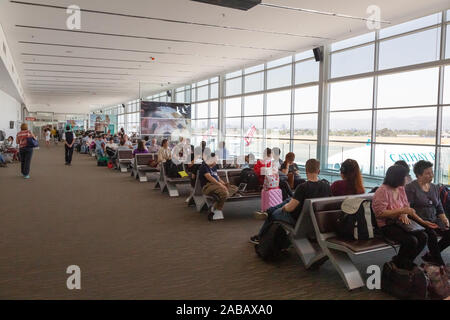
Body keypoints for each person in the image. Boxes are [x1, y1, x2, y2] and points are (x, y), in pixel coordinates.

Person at [372, 165, 437, 271]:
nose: (407, 178)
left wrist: (406, 214)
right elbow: (380, 213)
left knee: (423, 237)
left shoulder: (400, 189)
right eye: (405, 176)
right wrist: (401, 211)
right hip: (387, 225)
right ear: (397, 177)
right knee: (410, 241)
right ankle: (402, 264)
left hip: (400, 222)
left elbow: (406, 207)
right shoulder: (382, 191)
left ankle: (402, 262)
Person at [250, 159, 331, 244]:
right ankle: (269, 211)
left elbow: (290, 209)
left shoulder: (303, 187)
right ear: (319, 171)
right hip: (317, 221)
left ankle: (260, 235)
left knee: (274, 214)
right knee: (289, 200)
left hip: (299, 221)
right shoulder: (326, 186)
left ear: (306, 170)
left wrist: (284, 208)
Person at [405, 160, 450, 266]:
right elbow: (407, 209)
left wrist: (445, 219)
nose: (431, 175)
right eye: (428, 173)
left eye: (432, 172)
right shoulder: (411, 188)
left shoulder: (434, 187)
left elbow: (438, 206)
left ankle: (431, 255)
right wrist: (424, 222)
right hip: (418, 220)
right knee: (431, 235)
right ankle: (440, 264)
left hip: (433, 218)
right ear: (419, 175)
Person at [199, 153, 238, 220]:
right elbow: (209, 177)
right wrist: (220, 185)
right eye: (215, 160)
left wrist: (224, 184)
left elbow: (217, 177)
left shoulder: (214, 167)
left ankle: (218, 199)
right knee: (224, 192)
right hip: (208, 186)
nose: (216, 162)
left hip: (216, 185)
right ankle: (216, 209)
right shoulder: (204, 166)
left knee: (235, 188)